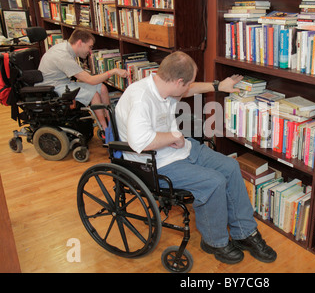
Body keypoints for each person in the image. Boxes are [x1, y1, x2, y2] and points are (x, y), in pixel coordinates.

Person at [114, 51, 277, 264]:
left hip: (180, 150)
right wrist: (175, 136)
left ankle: (244, 232)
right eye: (188, 83)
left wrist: (218, 85)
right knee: (214, 182)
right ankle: (214, 241)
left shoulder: (165, 86)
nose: (190, 86)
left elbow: (192, 89)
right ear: (178, 81)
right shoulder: (141, 98)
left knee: (230, 166)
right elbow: (140, 142)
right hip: (155, 162)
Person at [37, 29, 129, 131]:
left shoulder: (65, 48)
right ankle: (106, 130)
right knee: (94, 94)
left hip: (63, 82)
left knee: (102, 88)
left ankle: (111, 122)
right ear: (80, 43)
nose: (90, 52)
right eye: (89, 47)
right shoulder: (63, 56)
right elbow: (91, 80)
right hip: (53, 87)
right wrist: (113, 71)